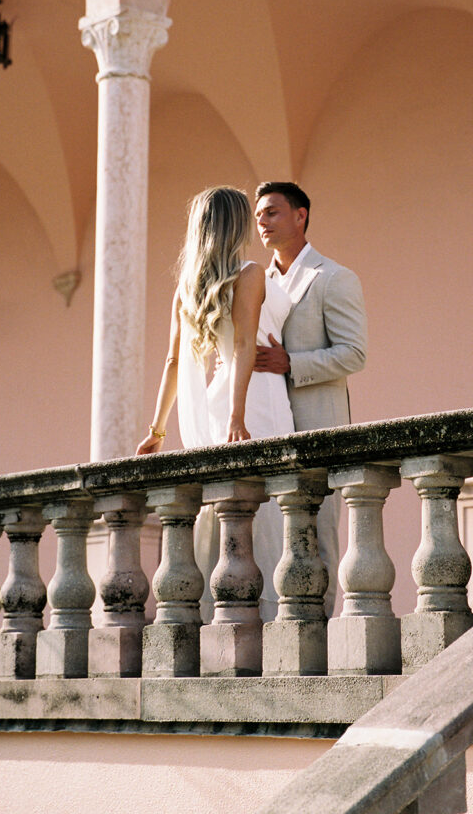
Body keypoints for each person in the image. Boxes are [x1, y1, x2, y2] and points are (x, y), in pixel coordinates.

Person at [136, 185, 295, 621]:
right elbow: (245, 343)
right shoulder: (250, 273)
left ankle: (218, 610)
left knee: (224, 509)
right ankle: (267, 613)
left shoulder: (187, 288)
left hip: (219, 391)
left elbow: (173, 362)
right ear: (236, 224)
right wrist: (237, 416)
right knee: (264, 507)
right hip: (254, 396)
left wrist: (157, 430)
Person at [253, 181, 367, 616]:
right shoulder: (254, 282)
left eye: (272, 212)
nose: (262, 221)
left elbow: (354, 353)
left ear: (300, 215)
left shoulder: (333, 278)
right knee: (267, 536)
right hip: (264, 427)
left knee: (318, 532)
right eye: (259, 215)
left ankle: (316, 636)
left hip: (317, 423)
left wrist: (291, 363)